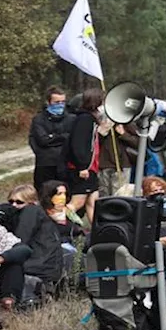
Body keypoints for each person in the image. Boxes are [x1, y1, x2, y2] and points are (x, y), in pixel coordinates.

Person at [5, 183, 66, 295]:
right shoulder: (37, 213)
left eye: (19, 202)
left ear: (32, 202)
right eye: (10, 202)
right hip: (47, 268)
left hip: (39, 268)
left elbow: (19, 241)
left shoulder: (31, 211)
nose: (14, 205)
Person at [63, 88, 105, 226]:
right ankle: (61, 223)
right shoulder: (84, 119)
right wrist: (81, 166)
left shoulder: (92, 119)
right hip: (83, 168)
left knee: (92, 201)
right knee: (77, 203)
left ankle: (96, 232)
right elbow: (78, 144)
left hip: (91, 167)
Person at [29, 86, 73, 190]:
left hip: (65, 165)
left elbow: (73, 139)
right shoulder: (38, 119)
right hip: (45, 165)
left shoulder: (71, 119)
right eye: (56, 102)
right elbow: (42, 140)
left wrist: (53, 137)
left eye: (63, 102)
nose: (60, 105)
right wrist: (64, 136)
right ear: (48, 102)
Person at [97, 121, 139, 197]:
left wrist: (123, 134)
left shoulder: (127, 122)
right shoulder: (100, 121)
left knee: (120, 194)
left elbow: (139, 143)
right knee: (103, 194)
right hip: (104, 164)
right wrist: (101, 132)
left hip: (122, 165)